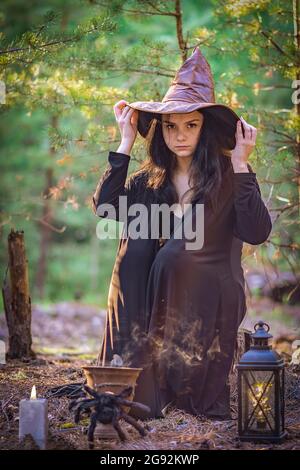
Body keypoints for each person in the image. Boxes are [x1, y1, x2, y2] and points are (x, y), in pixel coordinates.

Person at [92, 47, 272, 421]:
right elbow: (106, 208)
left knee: (177, 257)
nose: (180, 136)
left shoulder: (226, 175)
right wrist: (125, 142)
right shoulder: (151, 180)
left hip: (209, 292)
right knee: (136, 246)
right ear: (161, 130)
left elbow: (256, 232)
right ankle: (129, 378)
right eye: (171, 126)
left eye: (191, 125)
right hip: (159, 293)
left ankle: (185, 387)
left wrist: (242, 166)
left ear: (205, 128)